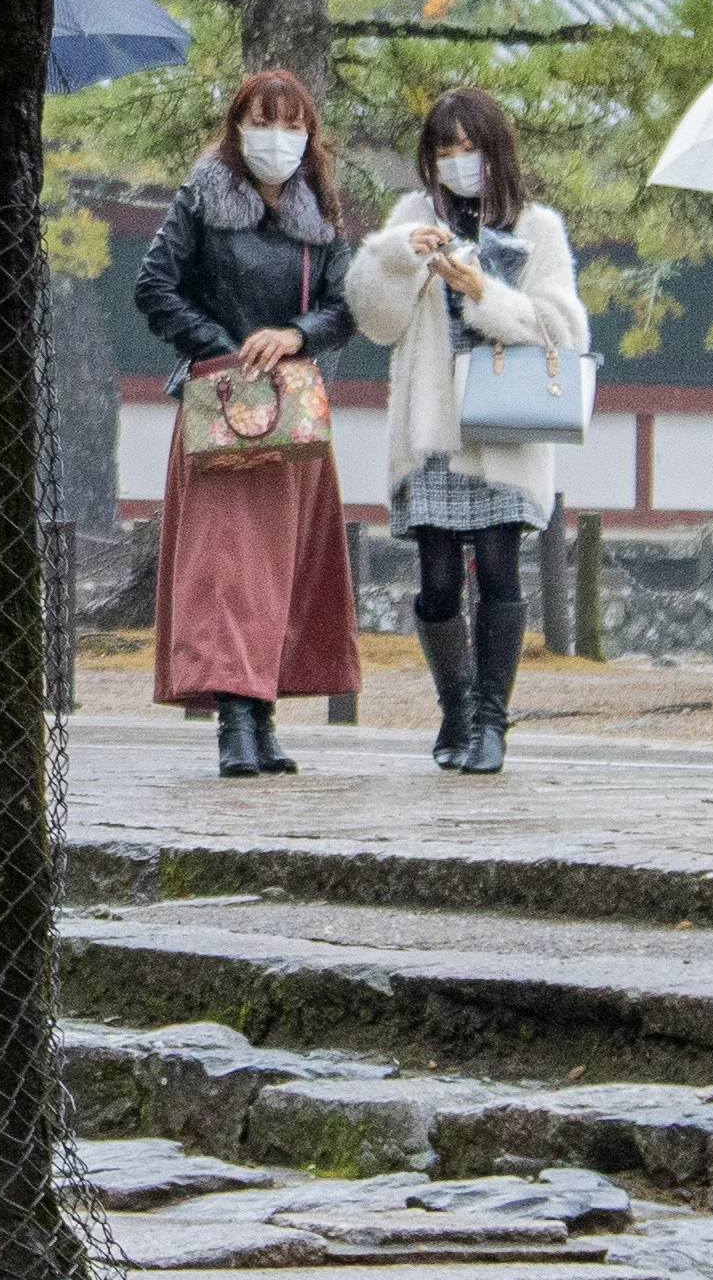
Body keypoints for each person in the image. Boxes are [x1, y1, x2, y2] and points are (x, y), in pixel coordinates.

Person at [343, 85, 588, 777]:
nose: (458, 162)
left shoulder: (536, 227)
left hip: (506, 423)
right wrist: (398, 256)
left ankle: (491, 721)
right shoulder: (411, 218)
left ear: (494, 149)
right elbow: (375, 319)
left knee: (501, 567)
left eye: (470, 148)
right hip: (432, 424)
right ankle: (454, 706)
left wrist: (485, 294)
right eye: (445, 150)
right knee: (440, 576)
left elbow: (566, 331)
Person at [134, 68, 364, 774]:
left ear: (309, 135)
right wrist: (225, 351)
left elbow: (346, 303)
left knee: (282, 570)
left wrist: (295, 334)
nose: (279, 137)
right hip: (222, 409)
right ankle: (233, 720)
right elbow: (154, 286)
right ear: (236, 127)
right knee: (227, 569)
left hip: (291, 416)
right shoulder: (201, 199)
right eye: (264, 121)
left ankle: (263, 715)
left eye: (293, 125)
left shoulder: (318, 211)